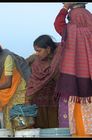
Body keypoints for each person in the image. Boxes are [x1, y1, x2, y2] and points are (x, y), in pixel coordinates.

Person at [54, 2, 92, 136]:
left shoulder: (71, 31)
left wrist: (65, 8)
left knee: (76, 116)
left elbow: (58, 24)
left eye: (70, 18)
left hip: (74, 82)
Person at [25, 35, 63, 128]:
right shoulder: (36, 61)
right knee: (40, 129)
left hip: (56, 101)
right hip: (38, 101)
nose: (37, 53)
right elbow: (33, 82)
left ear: (48, 49)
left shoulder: (60, 58)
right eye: (36, 51)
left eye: (39, 50)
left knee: (56, 128)